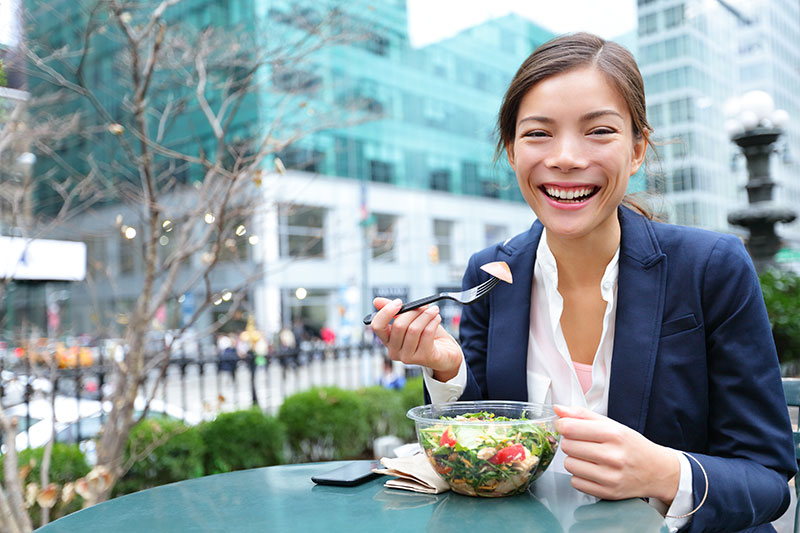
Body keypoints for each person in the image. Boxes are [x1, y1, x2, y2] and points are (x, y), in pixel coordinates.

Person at [368, 32, 795, 532]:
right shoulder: (491, 275)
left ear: (637, 149)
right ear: (511, 151)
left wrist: (664, 473)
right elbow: (486, 448)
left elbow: (767, 476)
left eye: (598, 131)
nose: (566, 157)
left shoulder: (710, 267)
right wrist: (446, 369)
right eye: (538, 134)